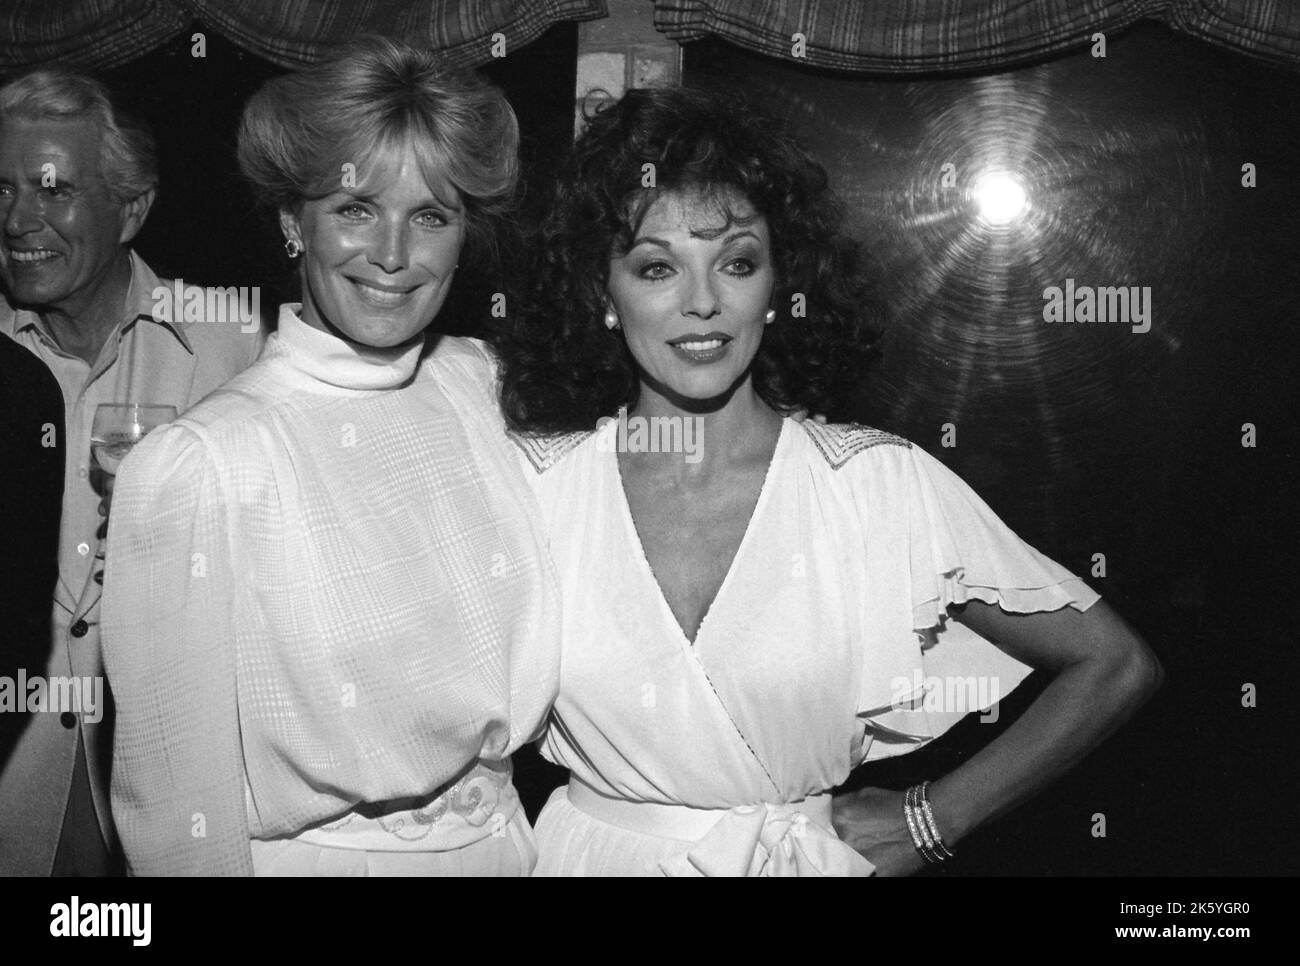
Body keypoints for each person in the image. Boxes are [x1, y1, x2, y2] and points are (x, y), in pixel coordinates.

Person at [497, 87, 1163, 876]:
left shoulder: (873, 483)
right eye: (656, 267)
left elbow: (1115, 665)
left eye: (737, 263)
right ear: (601, 292)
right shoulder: (537, 488)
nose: (704, 303)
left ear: (779, 284)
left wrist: (929, 820)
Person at [101, 38, 559, 876]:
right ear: (290, 222)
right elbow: (176, 811)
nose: (393, 253)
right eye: (355, 209)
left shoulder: (480, 388)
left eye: (431, 215)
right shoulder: (201, 463)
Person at [0, 68, 264, 876]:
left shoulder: (236, 345)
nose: (18, 220)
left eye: (52, 190)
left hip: (179, 794)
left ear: (132, 209)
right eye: (1, 189)